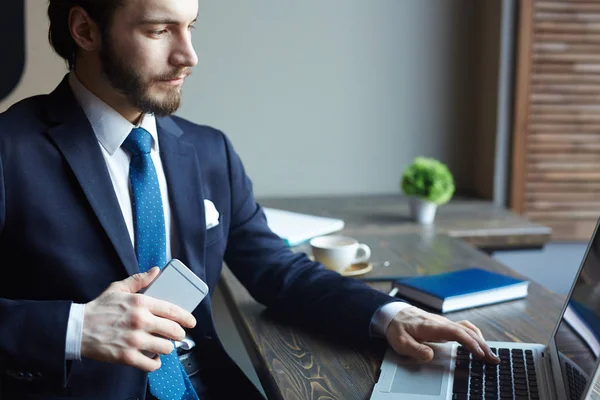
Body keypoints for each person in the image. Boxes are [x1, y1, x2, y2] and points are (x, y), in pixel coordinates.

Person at [0, 0, 499, 398]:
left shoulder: (208, 149)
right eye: (159, 31)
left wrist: (390, 315)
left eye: (191, 26)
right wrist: (76, 326)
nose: (188, 55)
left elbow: (278, 270)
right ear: (85, 31)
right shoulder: (9, 149)